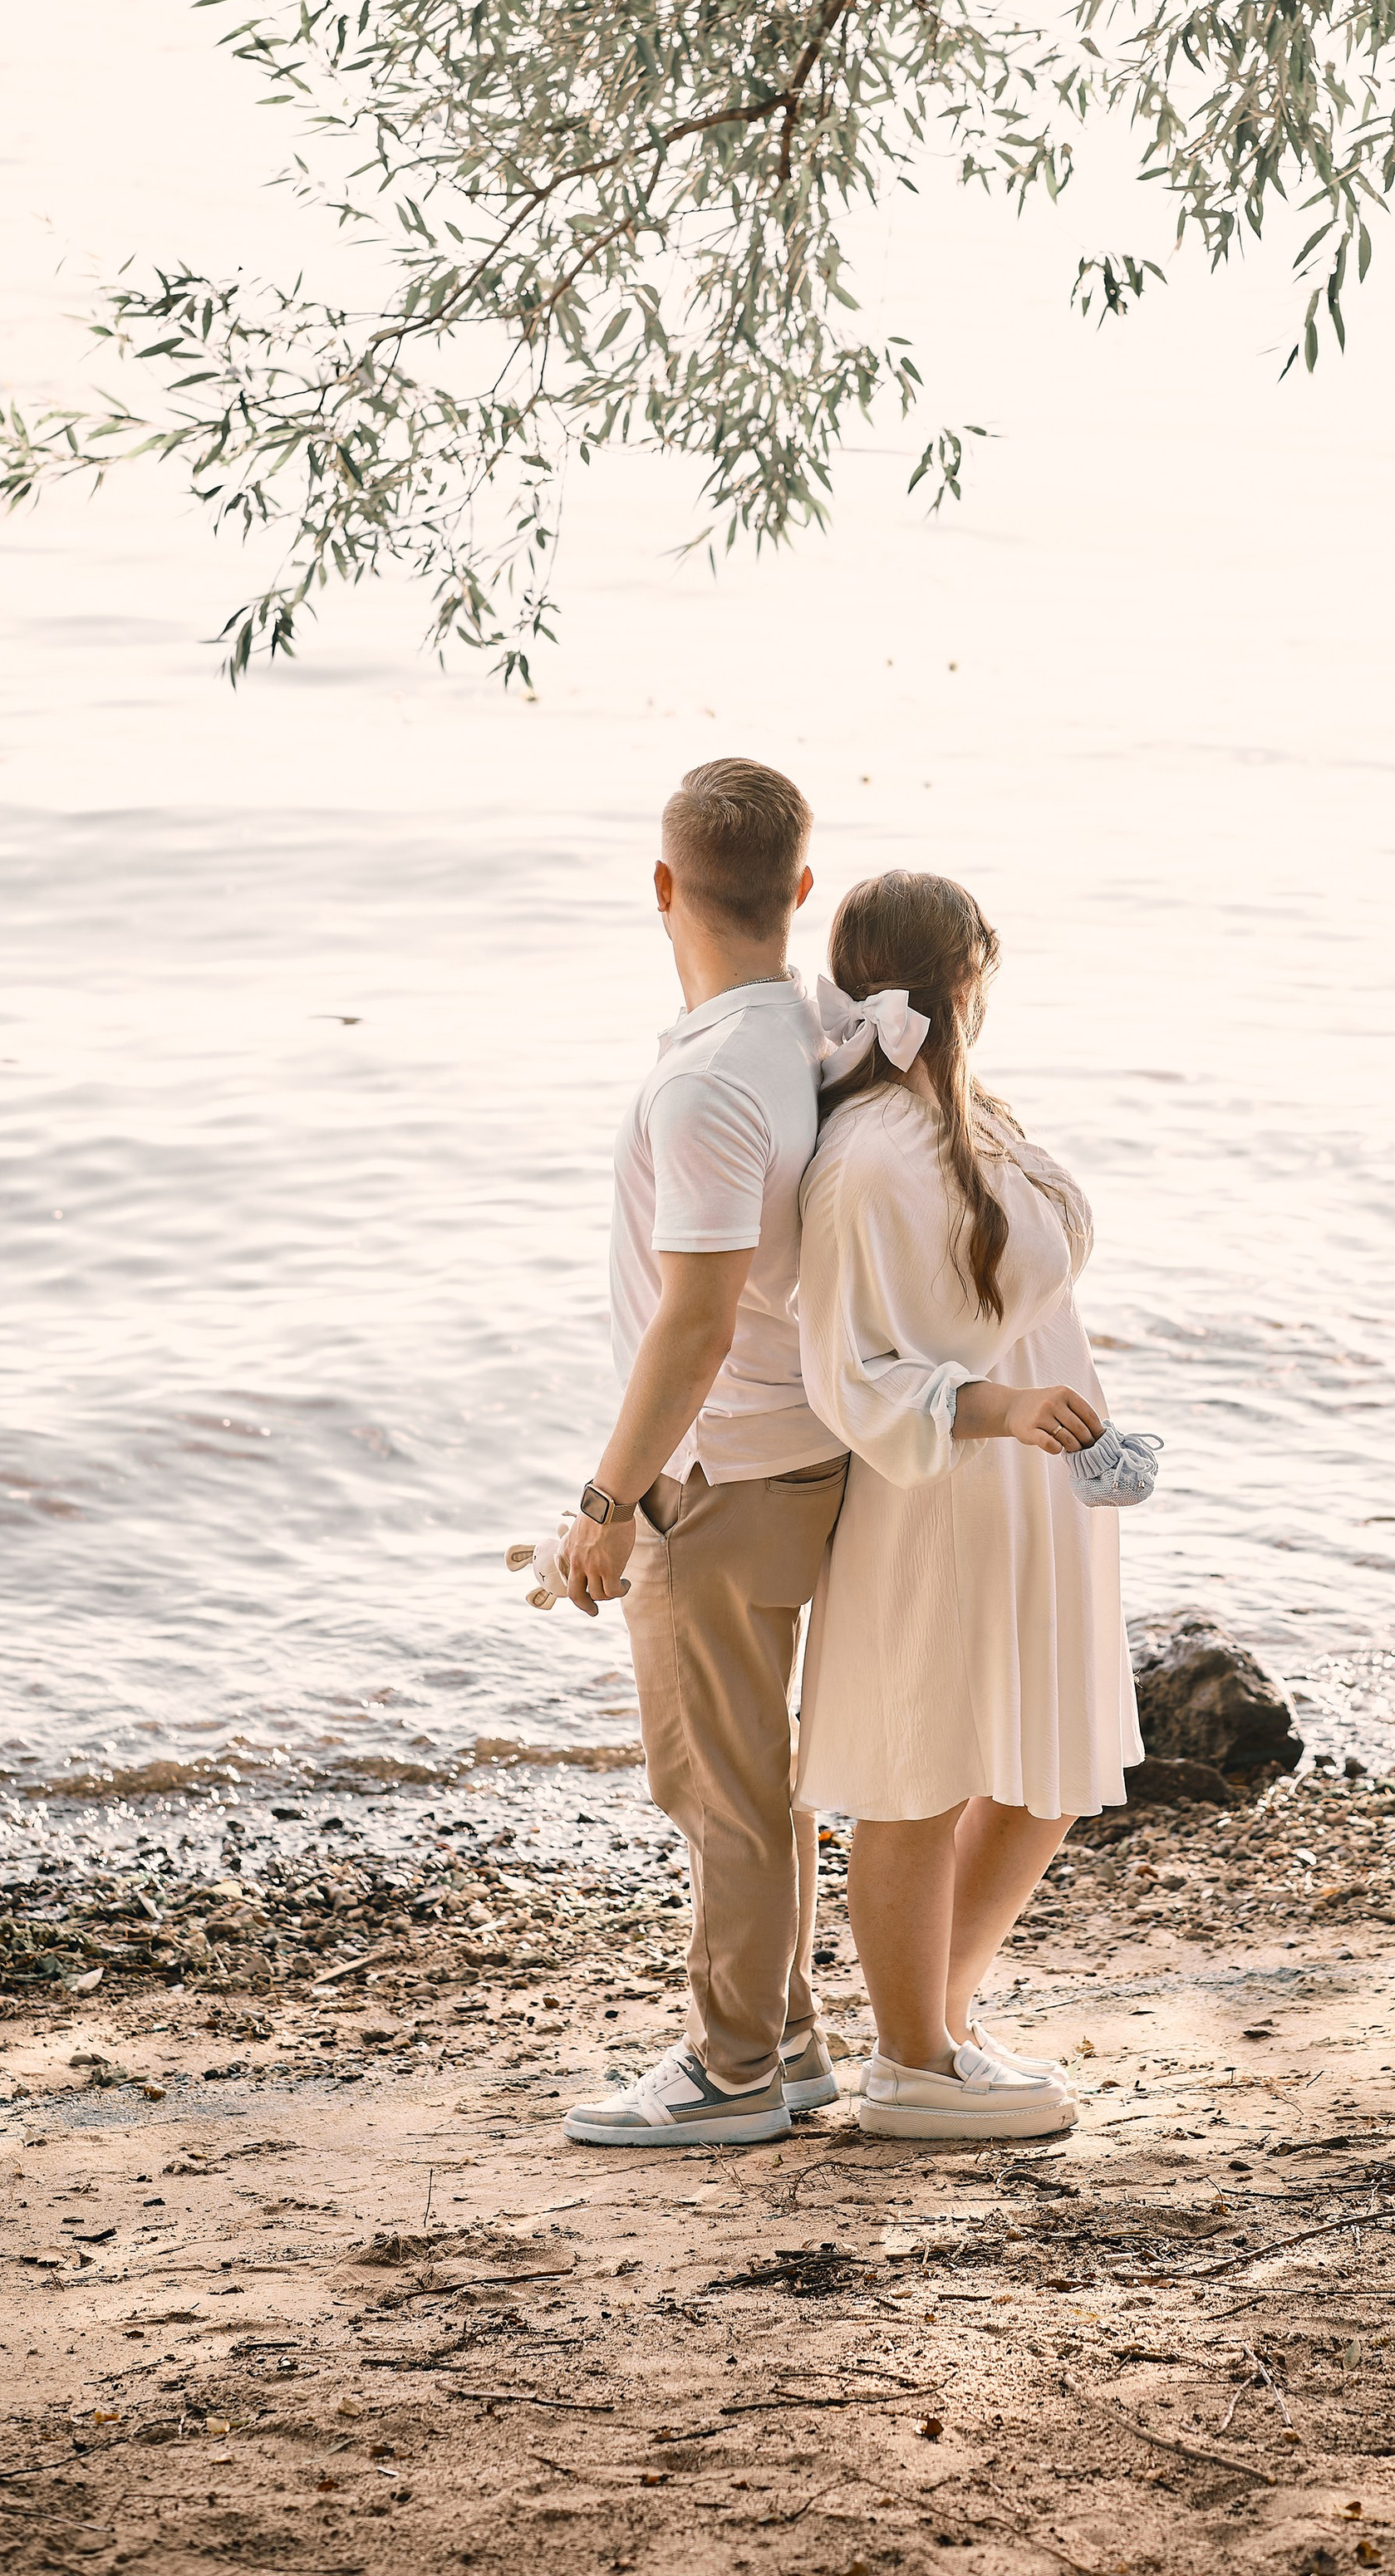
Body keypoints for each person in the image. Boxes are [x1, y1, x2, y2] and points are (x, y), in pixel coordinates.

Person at [795, 871, 1142, 2140]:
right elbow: (848, 1370)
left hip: (1040, 1487)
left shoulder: (967, 1112)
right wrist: (994, 1410)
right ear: (967, 981)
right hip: (938, 1492)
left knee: (1045, 1763)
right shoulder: (864, 1157)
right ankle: (908, 2063)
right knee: (921, 1765)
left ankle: (937, 2021)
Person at [554, 759, 850, 2147]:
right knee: (757, 1775)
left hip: (723, 1475)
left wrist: (611, 1500)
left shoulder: (714, 1080)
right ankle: (785, 2044)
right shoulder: (801, 1038)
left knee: (716, 1784)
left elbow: (698, 1314)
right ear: (800, 890)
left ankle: (728, 2066)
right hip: (793, 1453)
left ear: (664, 888)